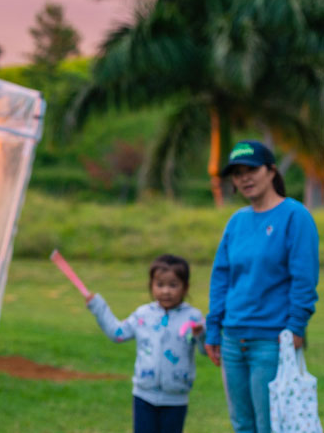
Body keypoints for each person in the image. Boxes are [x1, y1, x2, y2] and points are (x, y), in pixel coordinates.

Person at [205, 140, 319, 433]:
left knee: (270, 425)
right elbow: (221, 278)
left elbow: (304, 278)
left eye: (251, 169)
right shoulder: (237, 222)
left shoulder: (295, 216)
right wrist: (213, 328)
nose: (244, 178)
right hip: (232, 340)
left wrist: (296, 326)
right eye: (237, 172)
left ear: (271, 171)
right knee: (242, 424)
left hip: (272, 341)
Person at [86, 255, 205, 433]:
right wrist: (98, 307)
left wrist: (202, 334)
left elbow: (205, 350)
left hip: (176, 398)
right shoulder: (143, 315)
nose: (166, 291)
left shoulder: (193, 317)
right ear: (151, 286)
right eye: (160, 284)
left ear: (185, 287)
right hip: (143, 396)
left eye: (173, 285)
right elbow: (117, 333)